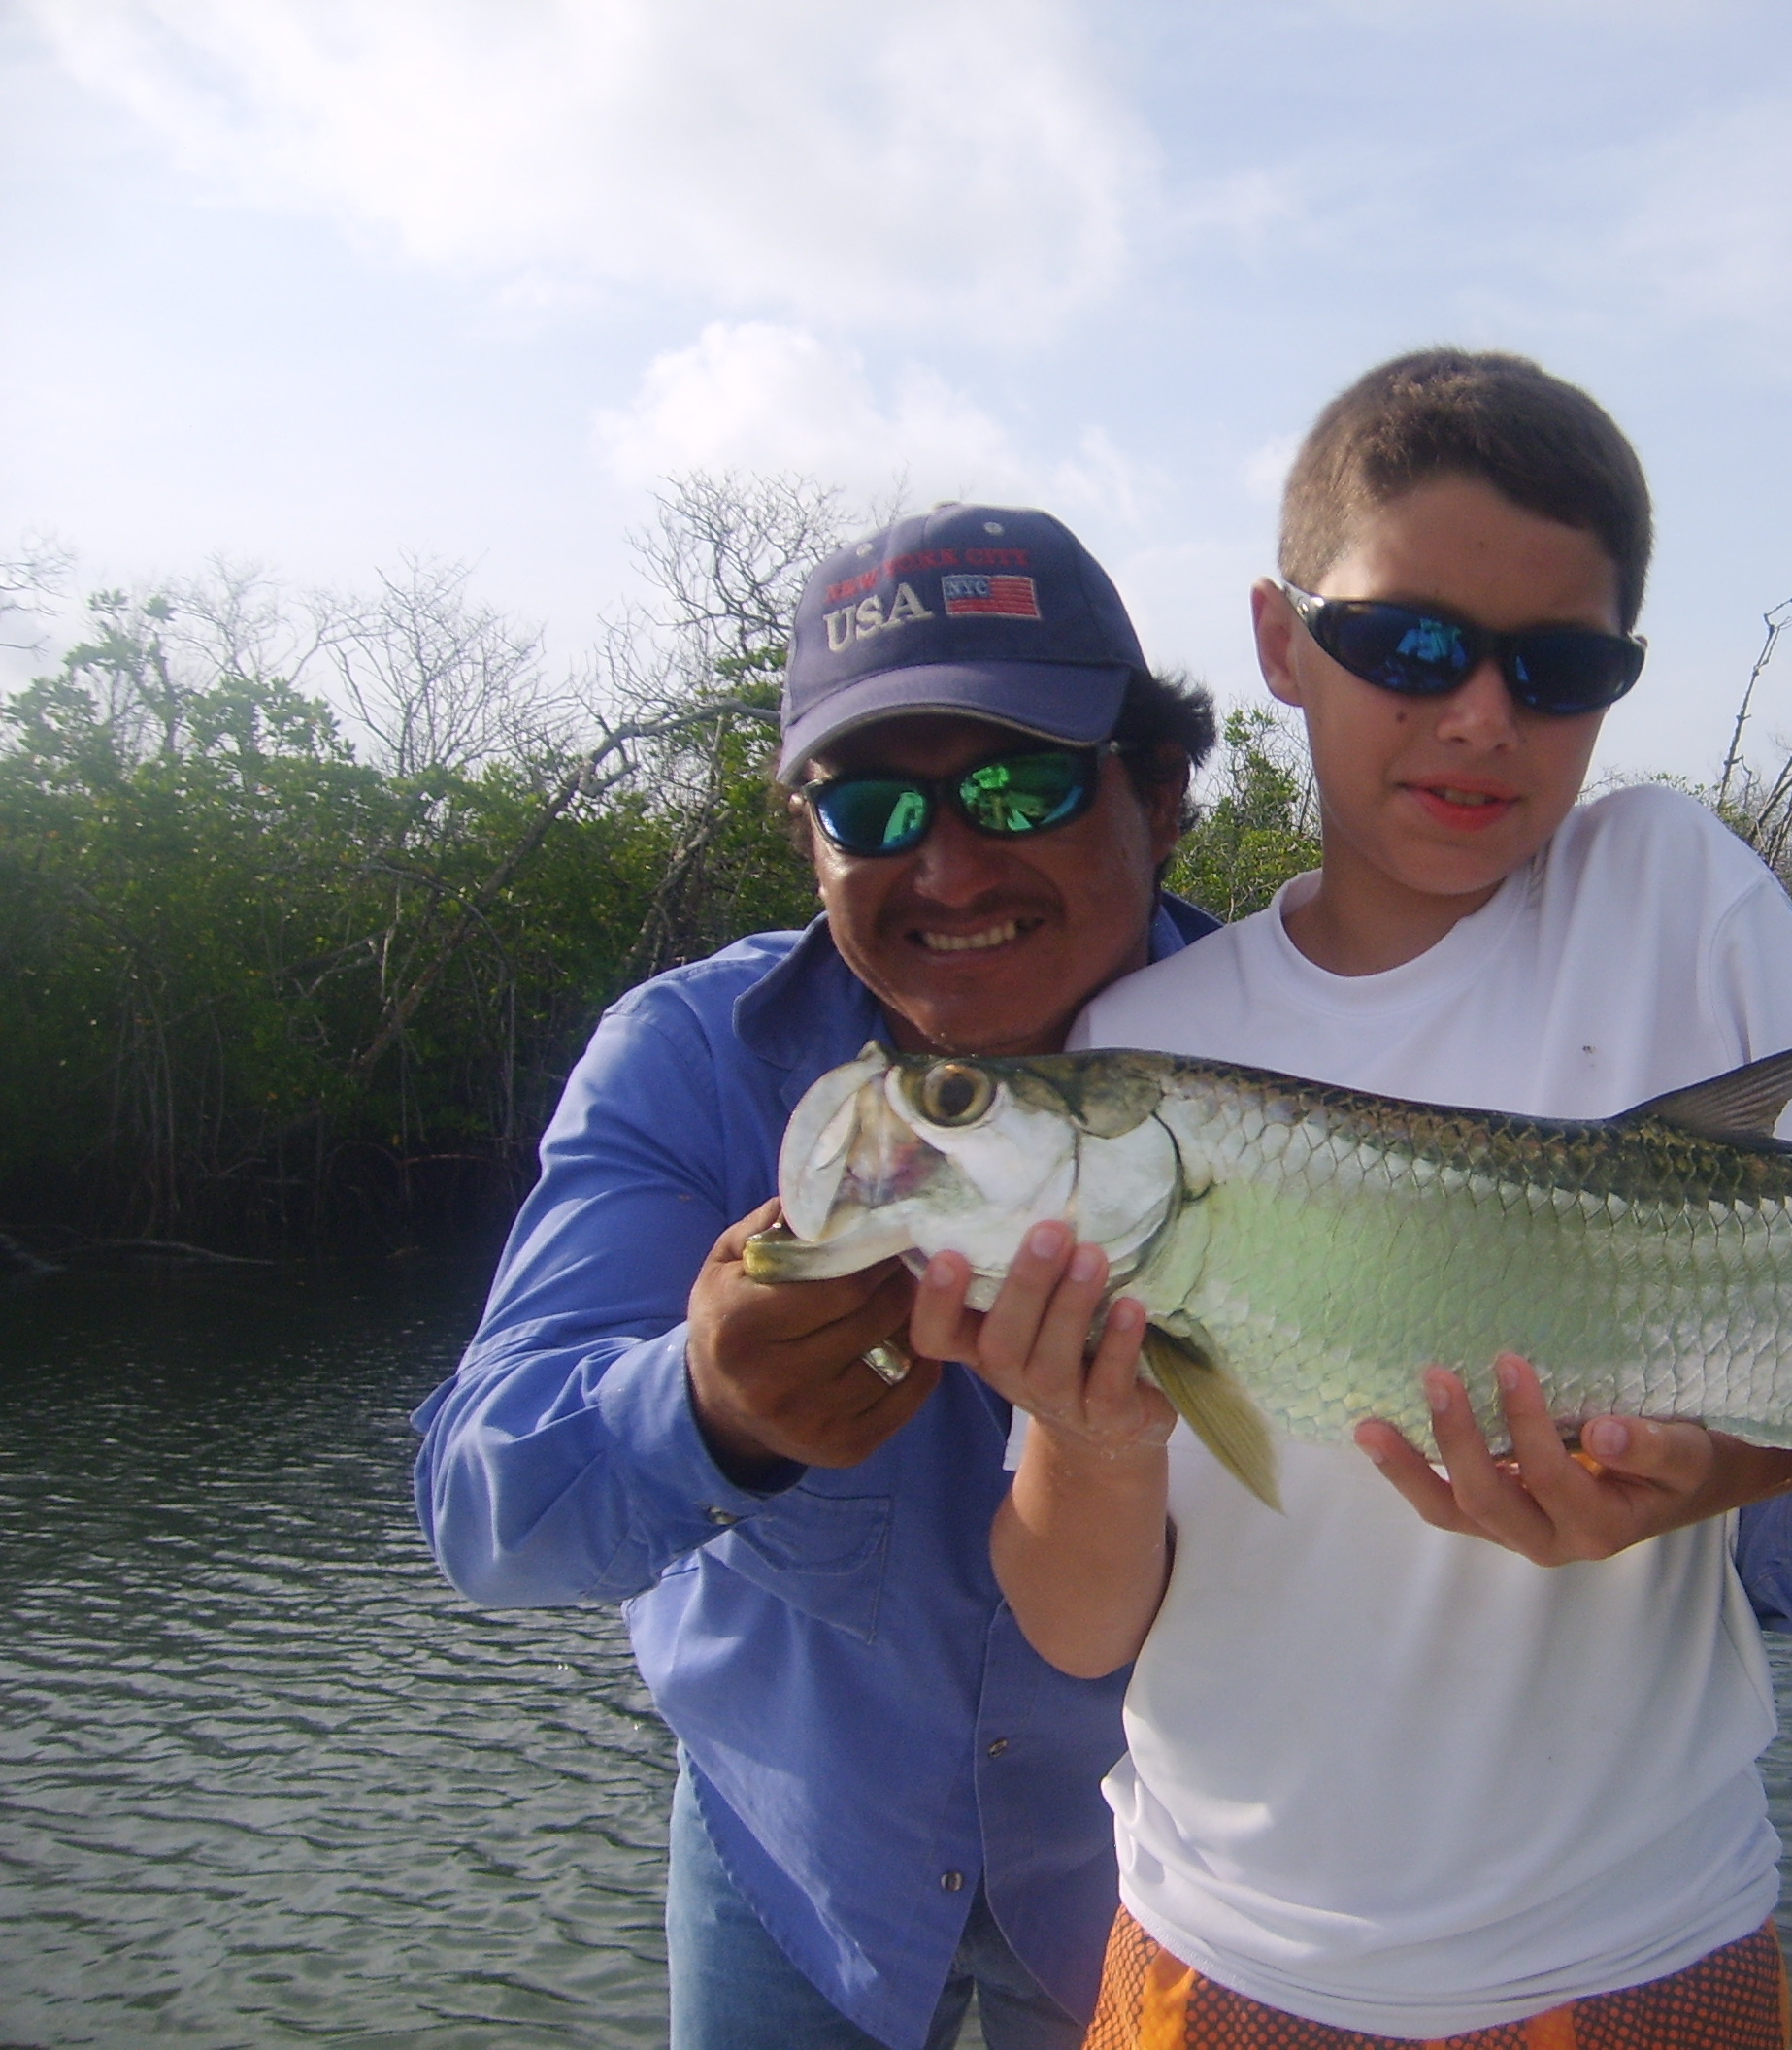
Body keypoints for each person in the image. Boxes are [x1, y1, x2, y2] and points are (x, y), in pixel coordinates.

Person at [934, 352, 1792, 2049]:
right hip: (1228, 1962)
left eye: (1558, 667)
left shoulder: (1672, 889)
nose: (1481, 716)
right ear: (1284, 644)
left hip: (1648, 1946)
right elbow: (1073, 1631)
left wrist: (1711, 1481)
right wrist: (1101, 1437)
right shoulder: (1146, 1055)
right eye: (1410, 646)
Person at [411, 502, 1225, 2050]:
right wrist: (708, 1406)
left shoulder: (1308, 1081)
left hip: (1175, 1890)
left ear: (1162, 793)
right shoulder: (692, 1062)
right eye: (870, 808)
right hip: (796, 1867)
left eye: (1019, 781)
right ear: (807, 839)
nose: (953, 861)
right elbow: (481, 1508)